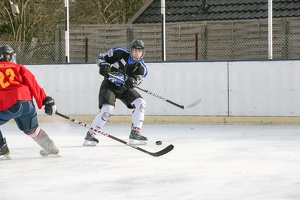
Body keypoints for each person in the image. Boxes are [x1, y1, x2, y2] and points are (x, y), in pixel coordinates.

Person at [83, 39, 148, 146]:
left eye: (139, 51)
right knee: (108, 109)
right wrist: (103, 65)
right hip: (109, 85)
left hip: (124, 88)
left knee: (140, 103)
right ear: (131, 50)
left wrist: (132, 81)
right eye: (135, 50)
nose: (137, 53)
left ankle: (135, 132)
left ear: (142, 53)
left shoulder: (142, 68)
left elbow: (136, 80)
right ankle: (91, 134)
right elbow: (101, 58)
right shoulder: (119, 52)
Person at [0, 45, 59, 160]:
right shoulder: (18, 67)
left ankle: (2, 149)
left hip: (7, 104)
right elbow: (33, 84)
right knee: (31, 129)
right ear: (8, 56)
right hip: (26, 104)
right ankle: (50, 147)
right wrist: (45, 100)